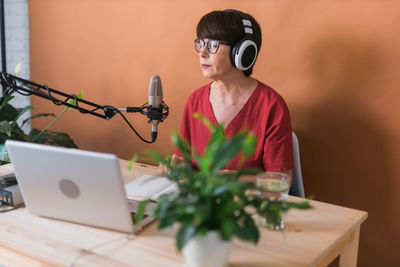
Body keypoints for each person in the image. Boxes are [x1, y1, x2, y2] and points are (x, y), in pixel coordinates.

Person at [160, 9, 293, 183]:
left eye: (213, 45)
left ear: (243, 52)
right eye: (201, 43)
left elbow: (281, 180)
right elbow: (184, 159)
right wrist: (177, 165)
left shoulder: (272, 105)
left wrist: (234, 179)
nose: (202, 53)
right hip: (201, 205)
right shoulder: (195, 101)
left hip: (249, 207)